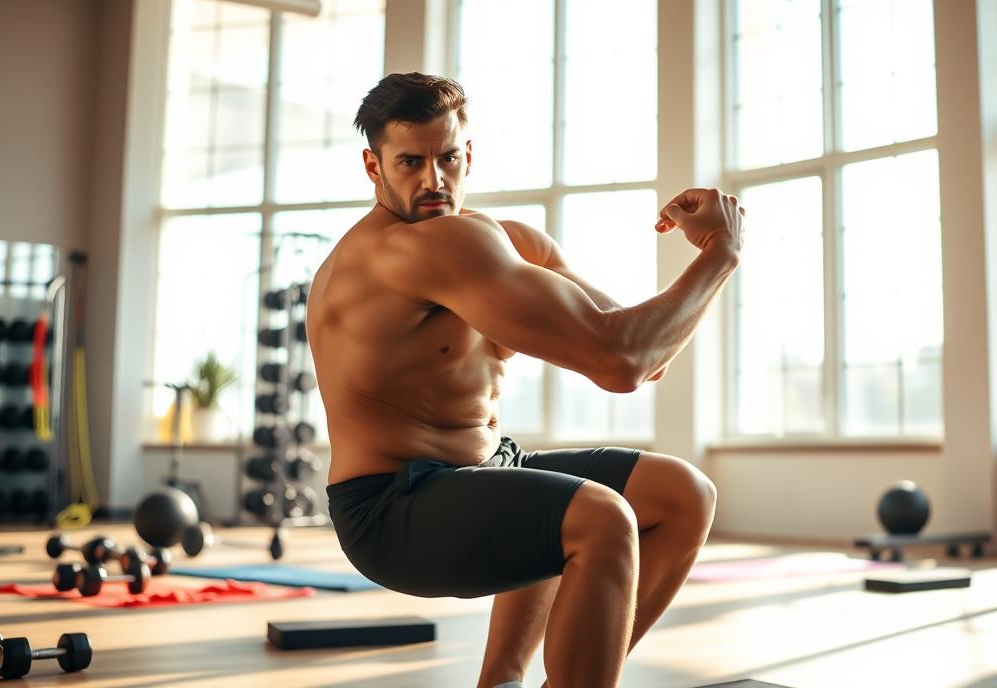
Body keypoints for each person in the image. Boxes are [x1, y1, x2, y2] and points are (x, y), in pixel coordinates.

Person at [307, 72, 745, 688]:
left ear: (468, 154)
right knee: (600, 518)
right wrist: (720, 252)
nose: (433, 180)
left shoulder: (500, 242)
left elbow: (646, 351)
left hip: (486, 470)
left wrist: (680, 278)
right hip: (393, 508)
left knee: (683, 494)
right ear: (372, 166)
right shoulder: (407, 250)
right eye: (410, 162)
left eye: (447, 158)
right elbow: (622, 364)